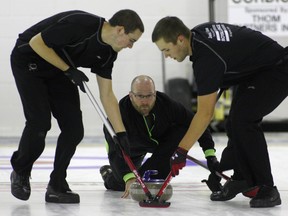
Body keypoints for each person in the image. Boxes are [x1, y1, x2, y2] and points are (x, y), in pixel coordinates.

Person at [10, 9, 144, 204]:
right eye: (132, 40)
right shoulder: (80, 24)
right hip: (29, 60)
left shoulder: (108, 53)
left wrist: (121, 133)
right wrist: (69, 70)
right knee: (39, 123)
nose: (131, 46)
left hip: (59, 69)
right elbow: (36, 43)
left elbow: (107, 95)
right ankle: (20, 171)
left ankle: (57, 184)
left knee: (74, 129)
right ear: (120, 30)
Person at [152, 17, 288, 208]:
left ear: (180, 39)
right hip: (256, 70)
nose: (166, 55)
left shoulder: (206, 58)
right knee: (234, 122)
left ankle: (267, 187)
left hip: (276, 68)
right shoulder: (199, 34)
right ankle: (242, 178)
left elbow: (205, 114)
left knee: (244, 121)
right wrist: (222, 166)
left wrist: (181, 151)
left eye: (166, 49)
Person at [100, 75, 218, 198]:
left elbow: (197, 123)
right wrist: (128, 177)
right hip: (130, 148)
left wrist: (210, 155)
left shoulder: (165, 103)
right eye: (140, 96)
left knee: (182, 129)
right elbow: (115, 152)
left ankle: (151, 173)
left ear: (155, 94)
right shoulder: (118, 114)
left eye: (149, 96)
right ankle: (108, 174)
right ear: (131, 95)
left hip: (159, 143)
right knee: (123, 184)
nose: (145, 102)